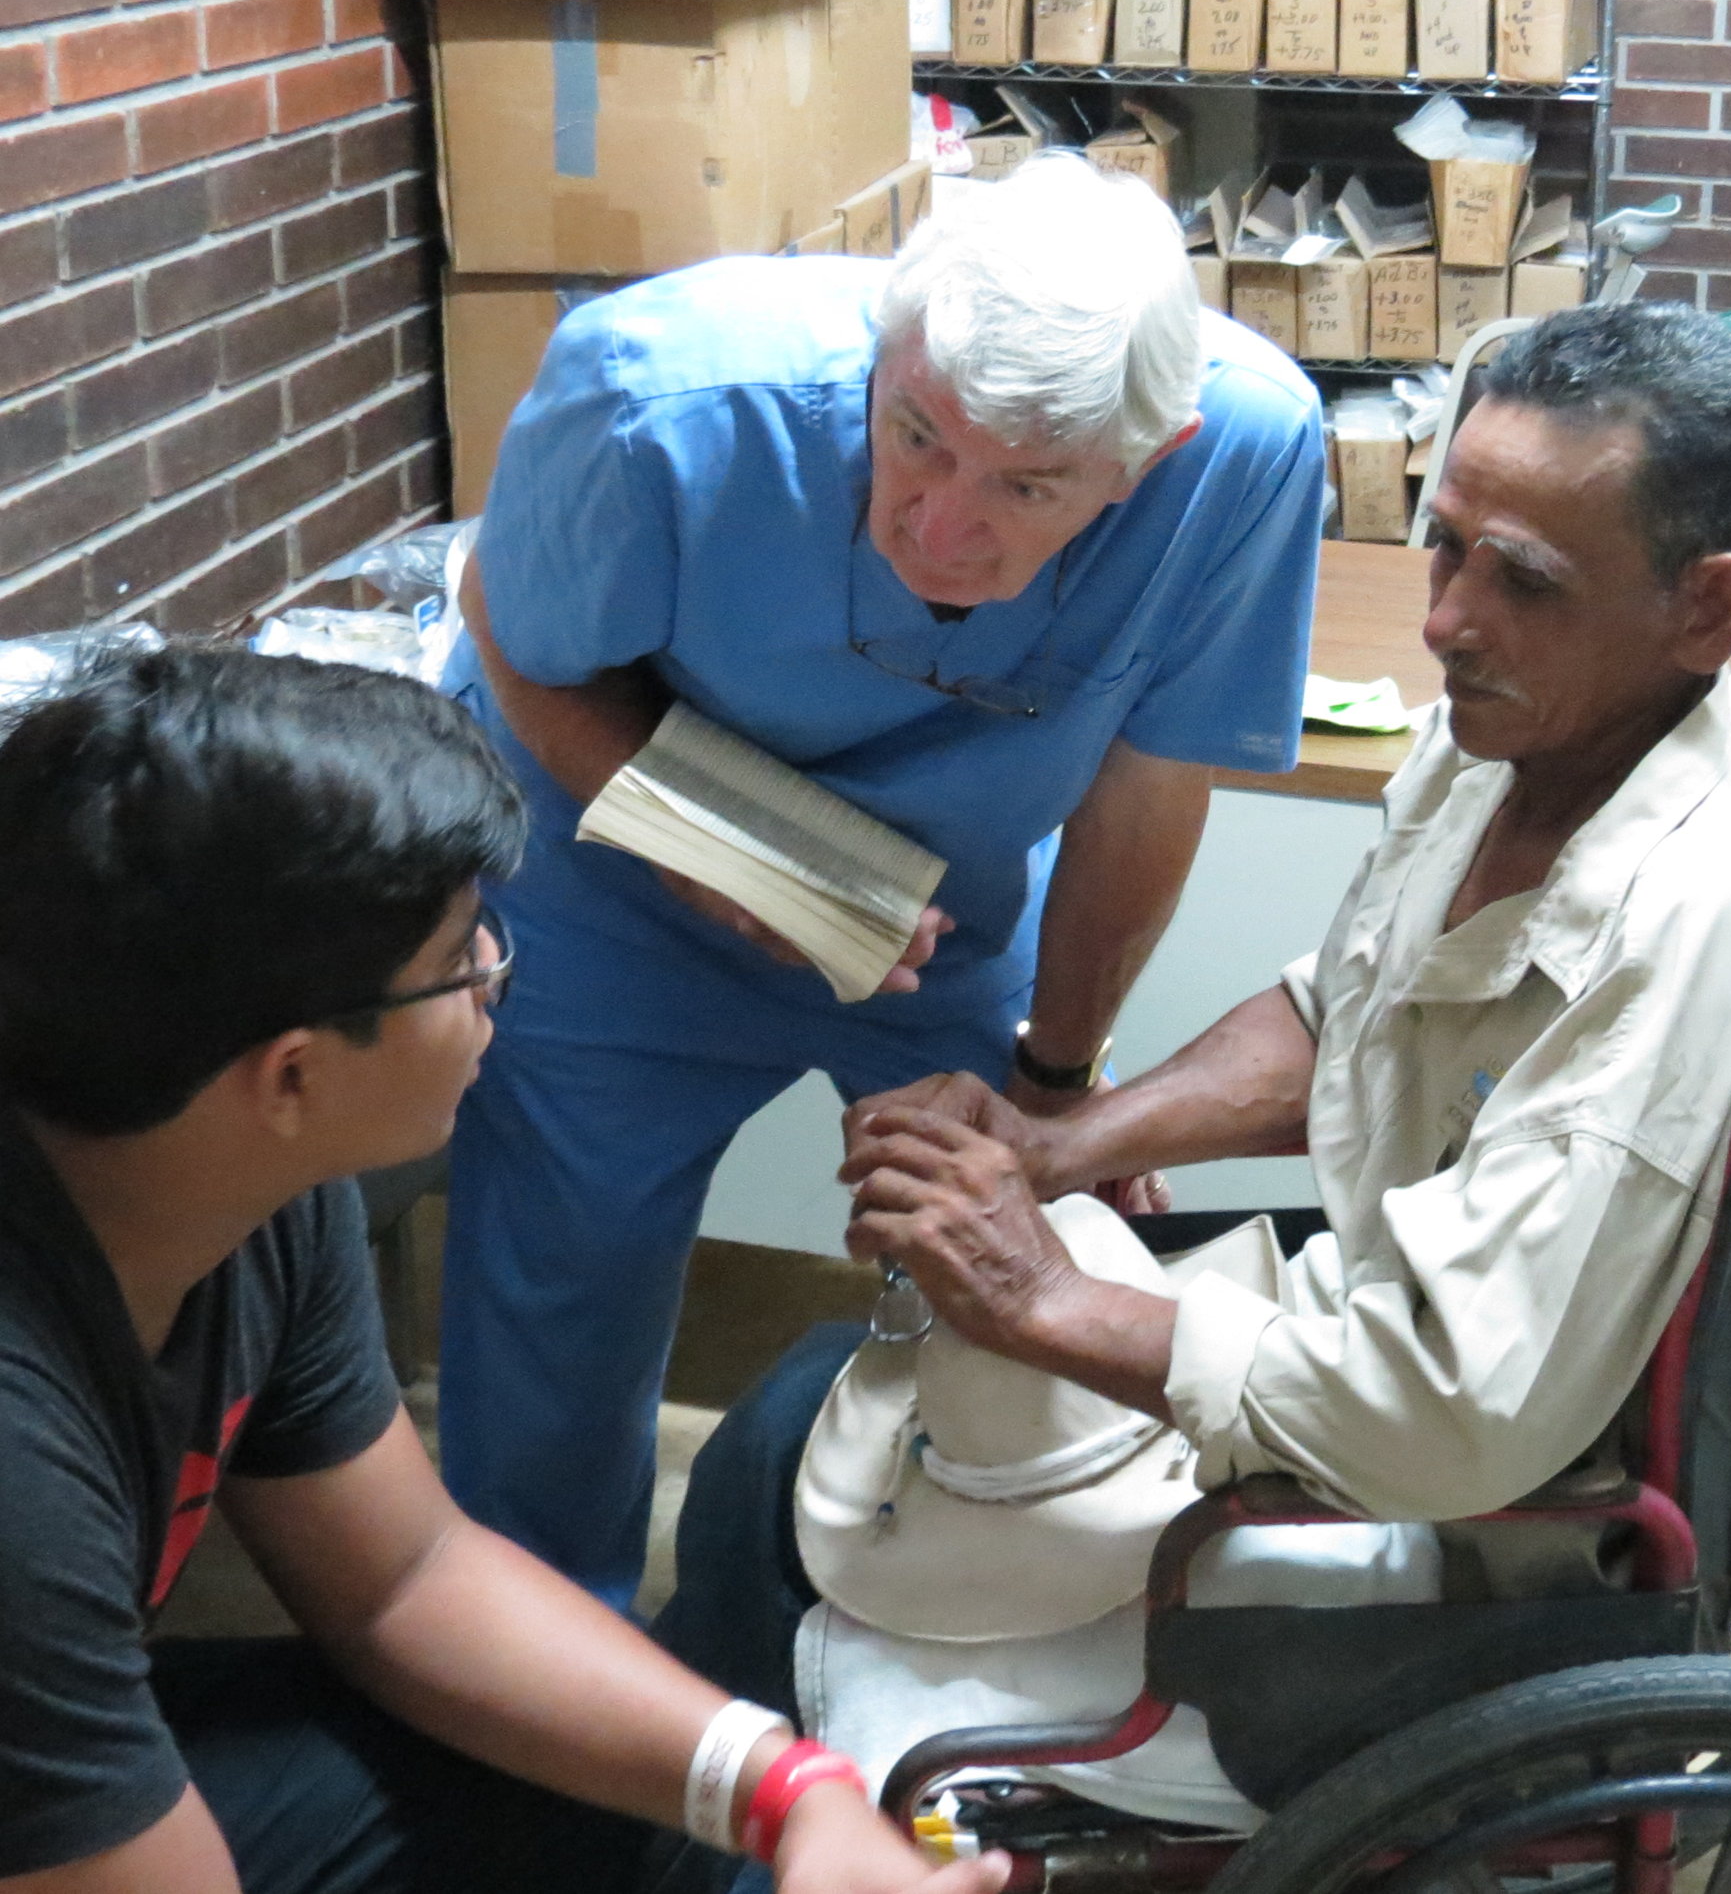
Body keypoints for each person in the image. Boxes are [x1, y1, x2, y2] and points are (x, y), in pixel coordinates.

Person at [652, 303, 1731, 1807]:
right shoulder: (1502, 747)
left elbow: (1448, 1415)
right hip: (1388, 1351)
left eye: (1526, 582)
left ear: (1707, 609)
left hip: (1472, 1518)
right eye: (1447, 547)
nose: (1446, 622)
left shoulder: (1692, 920)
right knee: (795, 1415)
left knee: (788, 1522)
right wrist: (1062, 1140)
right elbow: (1342, 1014)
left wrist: (1045, 1295)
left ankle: (720, 1827)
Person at [437, 157, 1327, 1606]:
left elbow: (1147, 784)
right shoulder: (657, 390)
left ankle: (975, 1612)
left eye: (1027, 488)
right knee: (559, 1309)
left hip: (942, 911)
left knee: (1038, 1244)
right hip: (617, 874)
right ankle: (540, 1696)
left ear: (1149, 457)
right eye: (915, 438)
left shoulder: (1242, 452)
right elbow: (515, 628)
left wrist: (1060, 1079)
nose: (940, 529)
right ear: (885, 357)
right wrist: (703, 852)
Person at [0, 644, 1005, 1894]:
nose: (495, 986)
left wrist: (789, 1790)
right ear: (295, 1074)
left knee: (610, 1795)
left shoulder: (236, 1176)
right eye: (462, 958)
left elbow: (405, 1581)